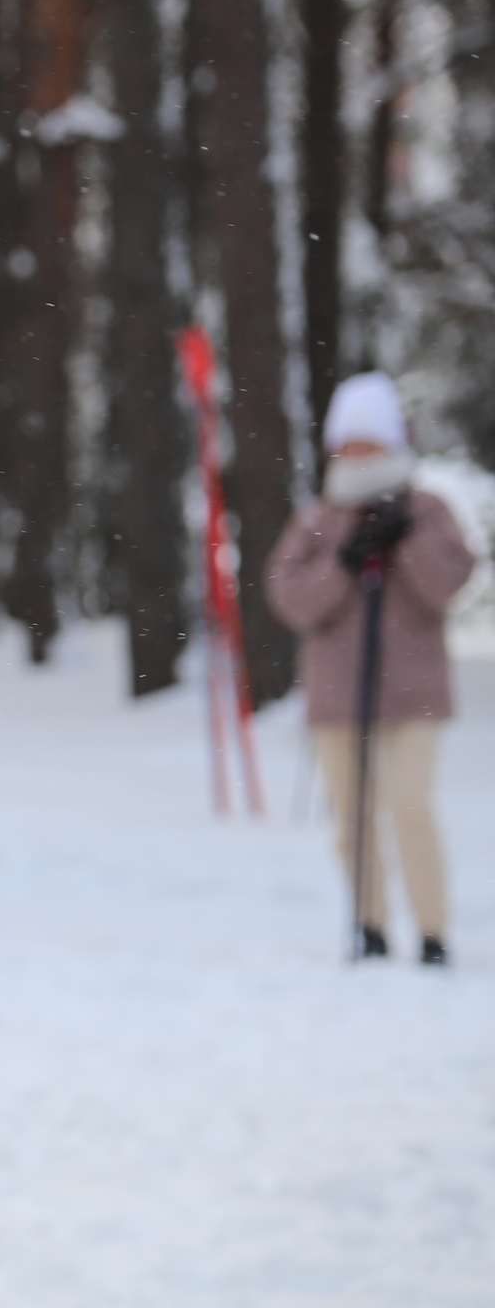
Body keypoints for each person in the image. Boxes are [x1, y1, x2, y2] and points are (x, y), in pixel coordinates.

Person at [266, 372, 475, 965]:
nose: (360, 455)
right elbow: (292, 599)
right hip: (339, 693)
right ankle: (370, 924)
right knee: (353, 817)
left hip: (414, 693)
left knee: (410, 805)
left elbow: (448, 585)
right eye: (350, 444)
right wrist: (345, 562)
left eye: (371, 443)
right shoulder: (318, 519)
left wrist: (405, 543)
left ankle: (432, 931)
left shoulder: (428, 510)